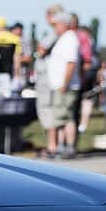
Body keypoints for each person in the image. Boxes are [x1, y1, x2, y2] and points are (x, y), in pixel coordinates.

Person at [37, 16, 79, 157]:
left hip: (65, 86)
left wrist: (64, 84)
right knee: (59, 119)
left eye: (57, 25)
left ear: (64, 24)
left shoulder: (70, 39)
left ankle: (69, 146)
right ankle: (61, 146)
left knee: (66, 118)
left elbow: (71, 63)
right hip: (58, 85)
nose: (55, 28)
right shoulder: (64, 38)